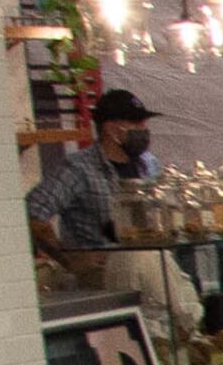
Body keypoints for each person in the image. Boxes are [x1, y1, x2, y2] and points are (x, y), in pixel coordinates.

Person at [23, 87, 155, 251]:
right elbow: (32, 212)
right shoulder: (77, 168)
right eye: (136, 122)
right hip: (106, 268)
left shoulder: (147, 165)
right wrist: (68, 260)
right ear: (111, 128)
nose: (144, 128)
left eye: (144, 122)